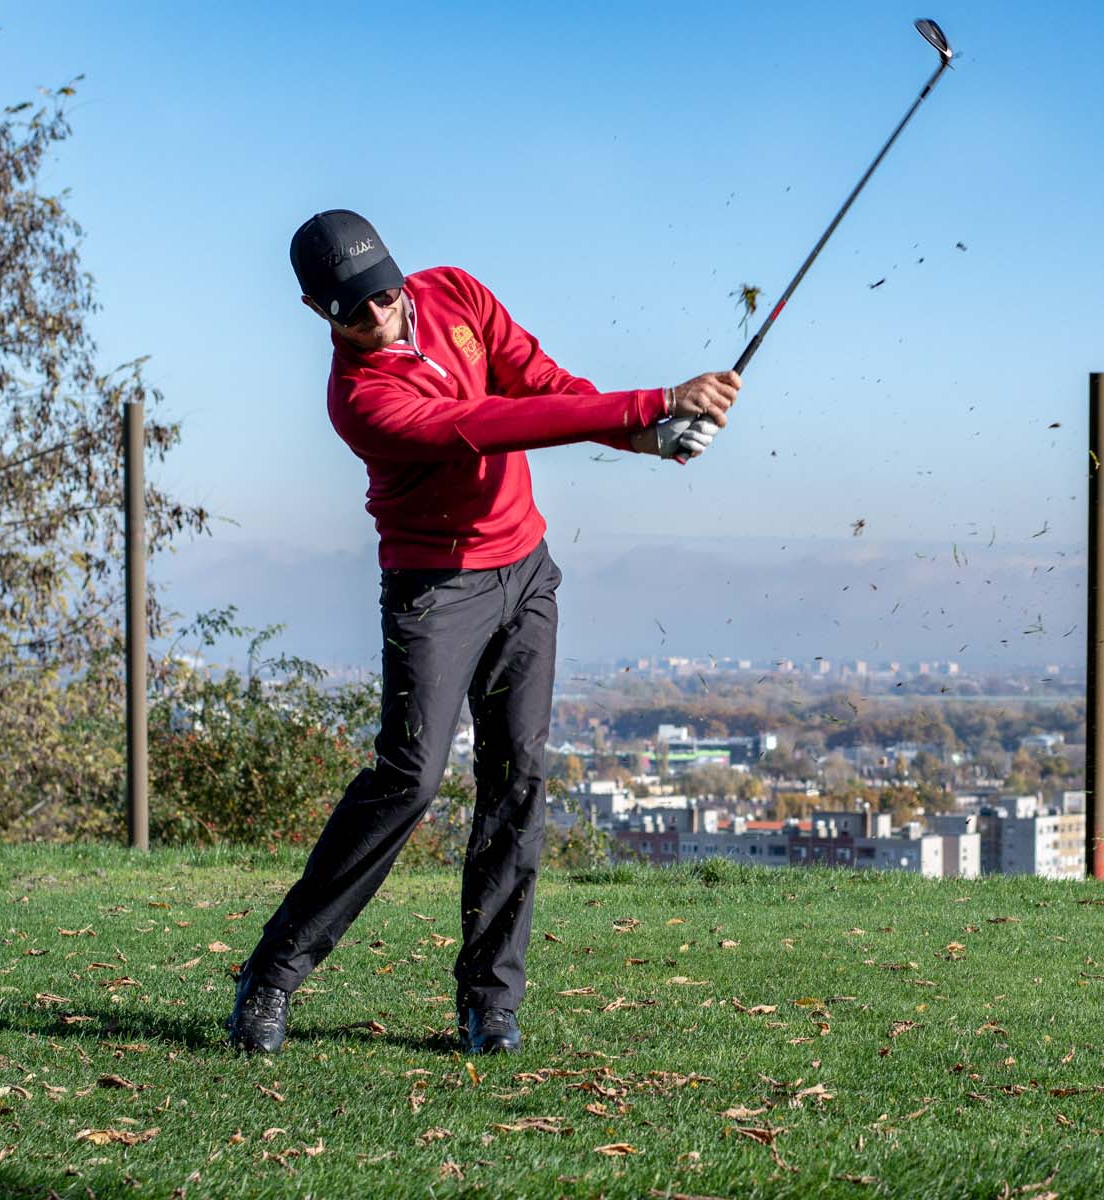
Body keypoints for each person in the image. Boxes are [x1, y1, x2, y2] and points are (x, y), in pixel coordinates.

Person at [226, 210, 738, 1055]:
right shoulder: (361, 400)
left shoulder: (454, 292)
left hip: (526, 571)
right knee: (409, 780)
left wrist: (643, 438)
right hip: (436, 590)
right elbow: (486, 424)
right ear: (318, 311)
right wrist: (652, 402)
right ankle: (274, 972)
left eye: (386, 292)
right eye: (357, 309)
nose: (382, 313)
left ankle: (490, 1001)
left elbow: (539, 382)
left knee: (518, 777)